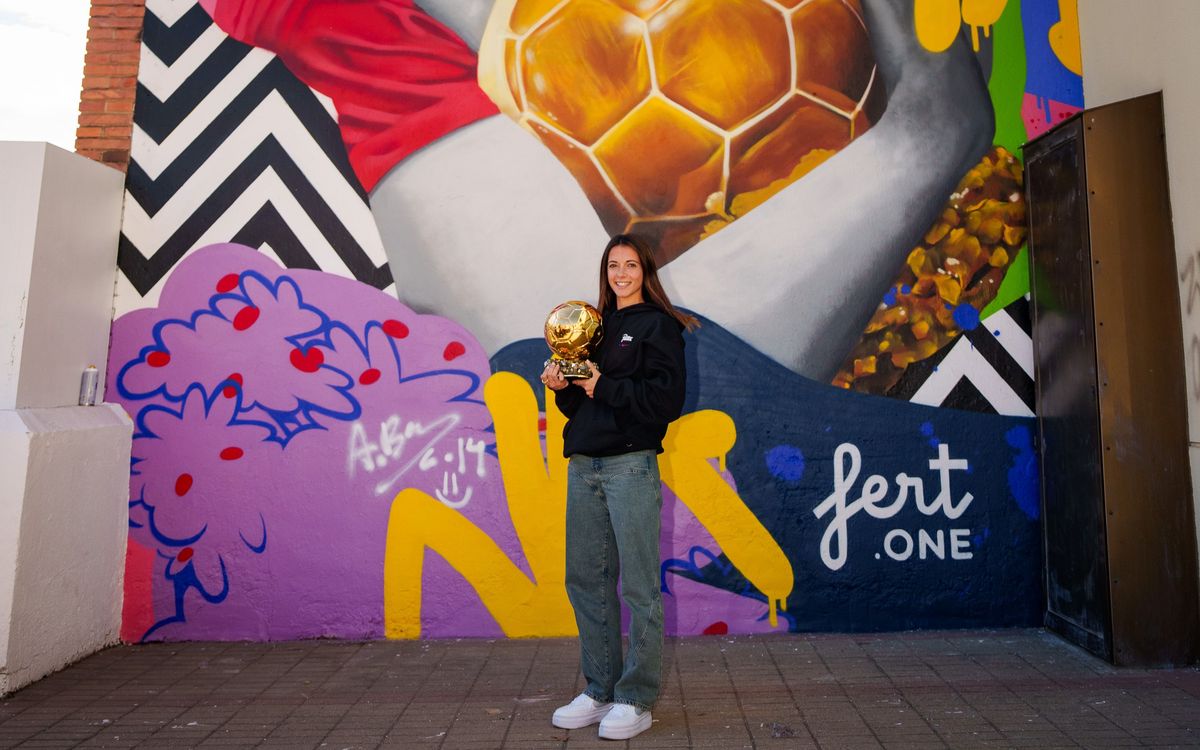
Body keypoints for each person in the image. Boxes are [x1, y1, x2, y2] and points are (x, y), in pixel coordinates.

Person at [540, 233, 697, 740]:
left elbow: (664, 403)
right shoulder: (595, 327)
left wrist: (597, 382)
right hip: (584, 464)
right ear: (605, 271)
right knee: (584, 580)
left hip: (630, 464)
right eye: (613, 265)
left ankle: (637, 698)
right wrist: (565, 388)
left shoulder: (660, 326)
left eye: (631, 265)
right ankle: (599, 689)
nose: (621, 273)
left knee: (638, 586)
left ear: (645, 271)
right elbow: (588, 408)